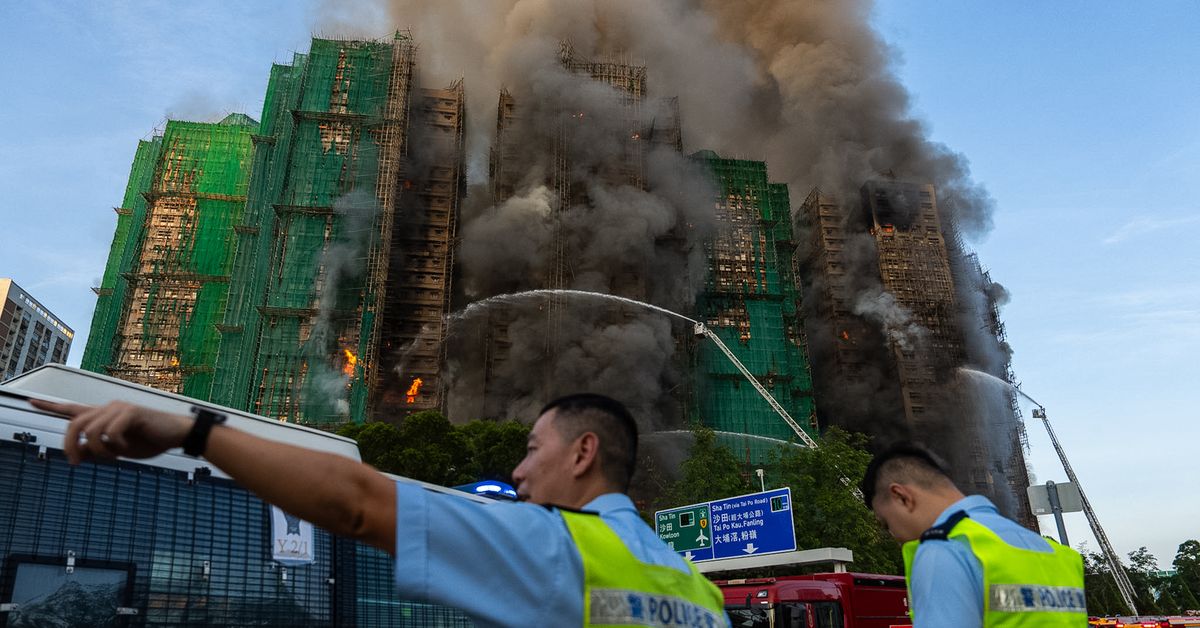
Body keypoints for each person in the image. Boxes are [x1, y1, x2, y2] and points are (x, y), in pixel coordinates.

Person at [31, 392, 728, 628]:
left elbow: (356, 502)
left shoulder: (554, 546)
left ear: (582, 454)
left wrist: (194, 433)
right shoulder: (702, 594)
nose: (517, 470)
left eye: (529, 448)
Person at [861, 443, 1087, 628]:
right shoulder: (1061, 556)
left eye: (885, 523)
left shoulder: (946, 548)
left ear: (901, 497)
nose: (893, 535)